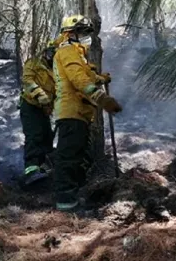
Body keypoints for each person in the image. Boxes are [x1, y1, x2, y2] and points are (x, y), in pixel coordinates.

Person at [52, 14, 122, 212]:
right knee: (69, 157)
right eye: (81, 33)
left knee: (77, 155)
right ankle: (65, 202)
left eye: (86, 33)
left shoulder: (76, 54)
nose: (85, 37)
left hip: (80, 112)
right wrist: (102, 98)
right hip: (70, 110)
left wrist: (100, 79)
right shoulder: (67, 52)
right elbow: (78, 80)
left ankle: (72, 198)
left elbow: (86, 76)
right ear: (70, 33)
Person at [19, 43, 57, 186]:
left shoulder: (55, 70)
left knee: (47, 137)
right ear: (45, 52)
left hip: (44, 109)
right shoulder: (33, 63)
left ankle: (43, 169)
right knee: (34, 136)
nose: (52, 55)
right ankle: (31, 170)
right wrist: (39, 94)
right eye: (50, 52)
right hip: (30, 106)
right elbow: (27, 80)